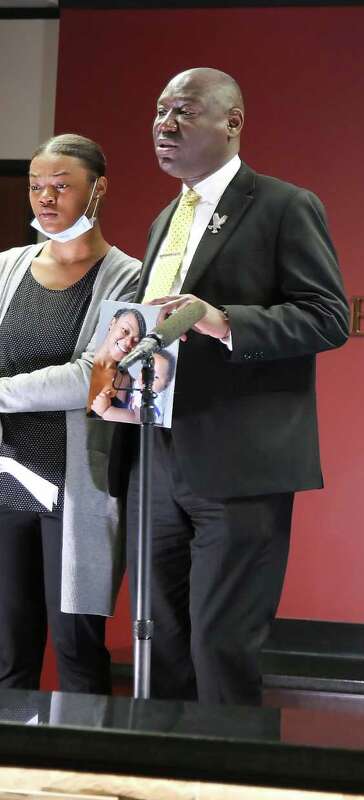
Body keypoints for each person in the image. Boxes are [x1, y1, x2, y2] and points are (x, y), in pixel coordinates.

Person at [107, 68, 350, 705]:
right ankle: (162, 762)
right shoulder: (166, 218)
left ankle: (231, 762)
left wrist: (222, 321)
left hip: (239, 464)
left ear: (232, 122)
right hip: (155, 456)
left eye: (183, 112)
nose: (164, 125)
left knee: (220, 649)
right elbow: (160, 325)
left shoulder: (283, 206)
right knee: (157, 644)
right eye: (159, 111)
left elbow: (328, 318)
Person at [0, 133, 141, 694]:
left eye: (61, 186)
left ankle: (86, 753)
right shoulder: (7, 267)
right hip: (5, 482)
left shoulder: (128, 277)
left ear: (98, 189)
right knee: (8, 656)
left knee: (77, 652)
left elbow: (93, 376)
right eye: (36, 186)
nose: (45, 198)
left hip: (76, 488)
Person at [86, 307, 147, 418]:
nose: (128, 343)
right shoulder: (83, 366)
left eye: (135, 341)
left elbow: (141, 419)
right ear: (112, 323)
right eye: (125, 331)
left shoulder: (128, 381)